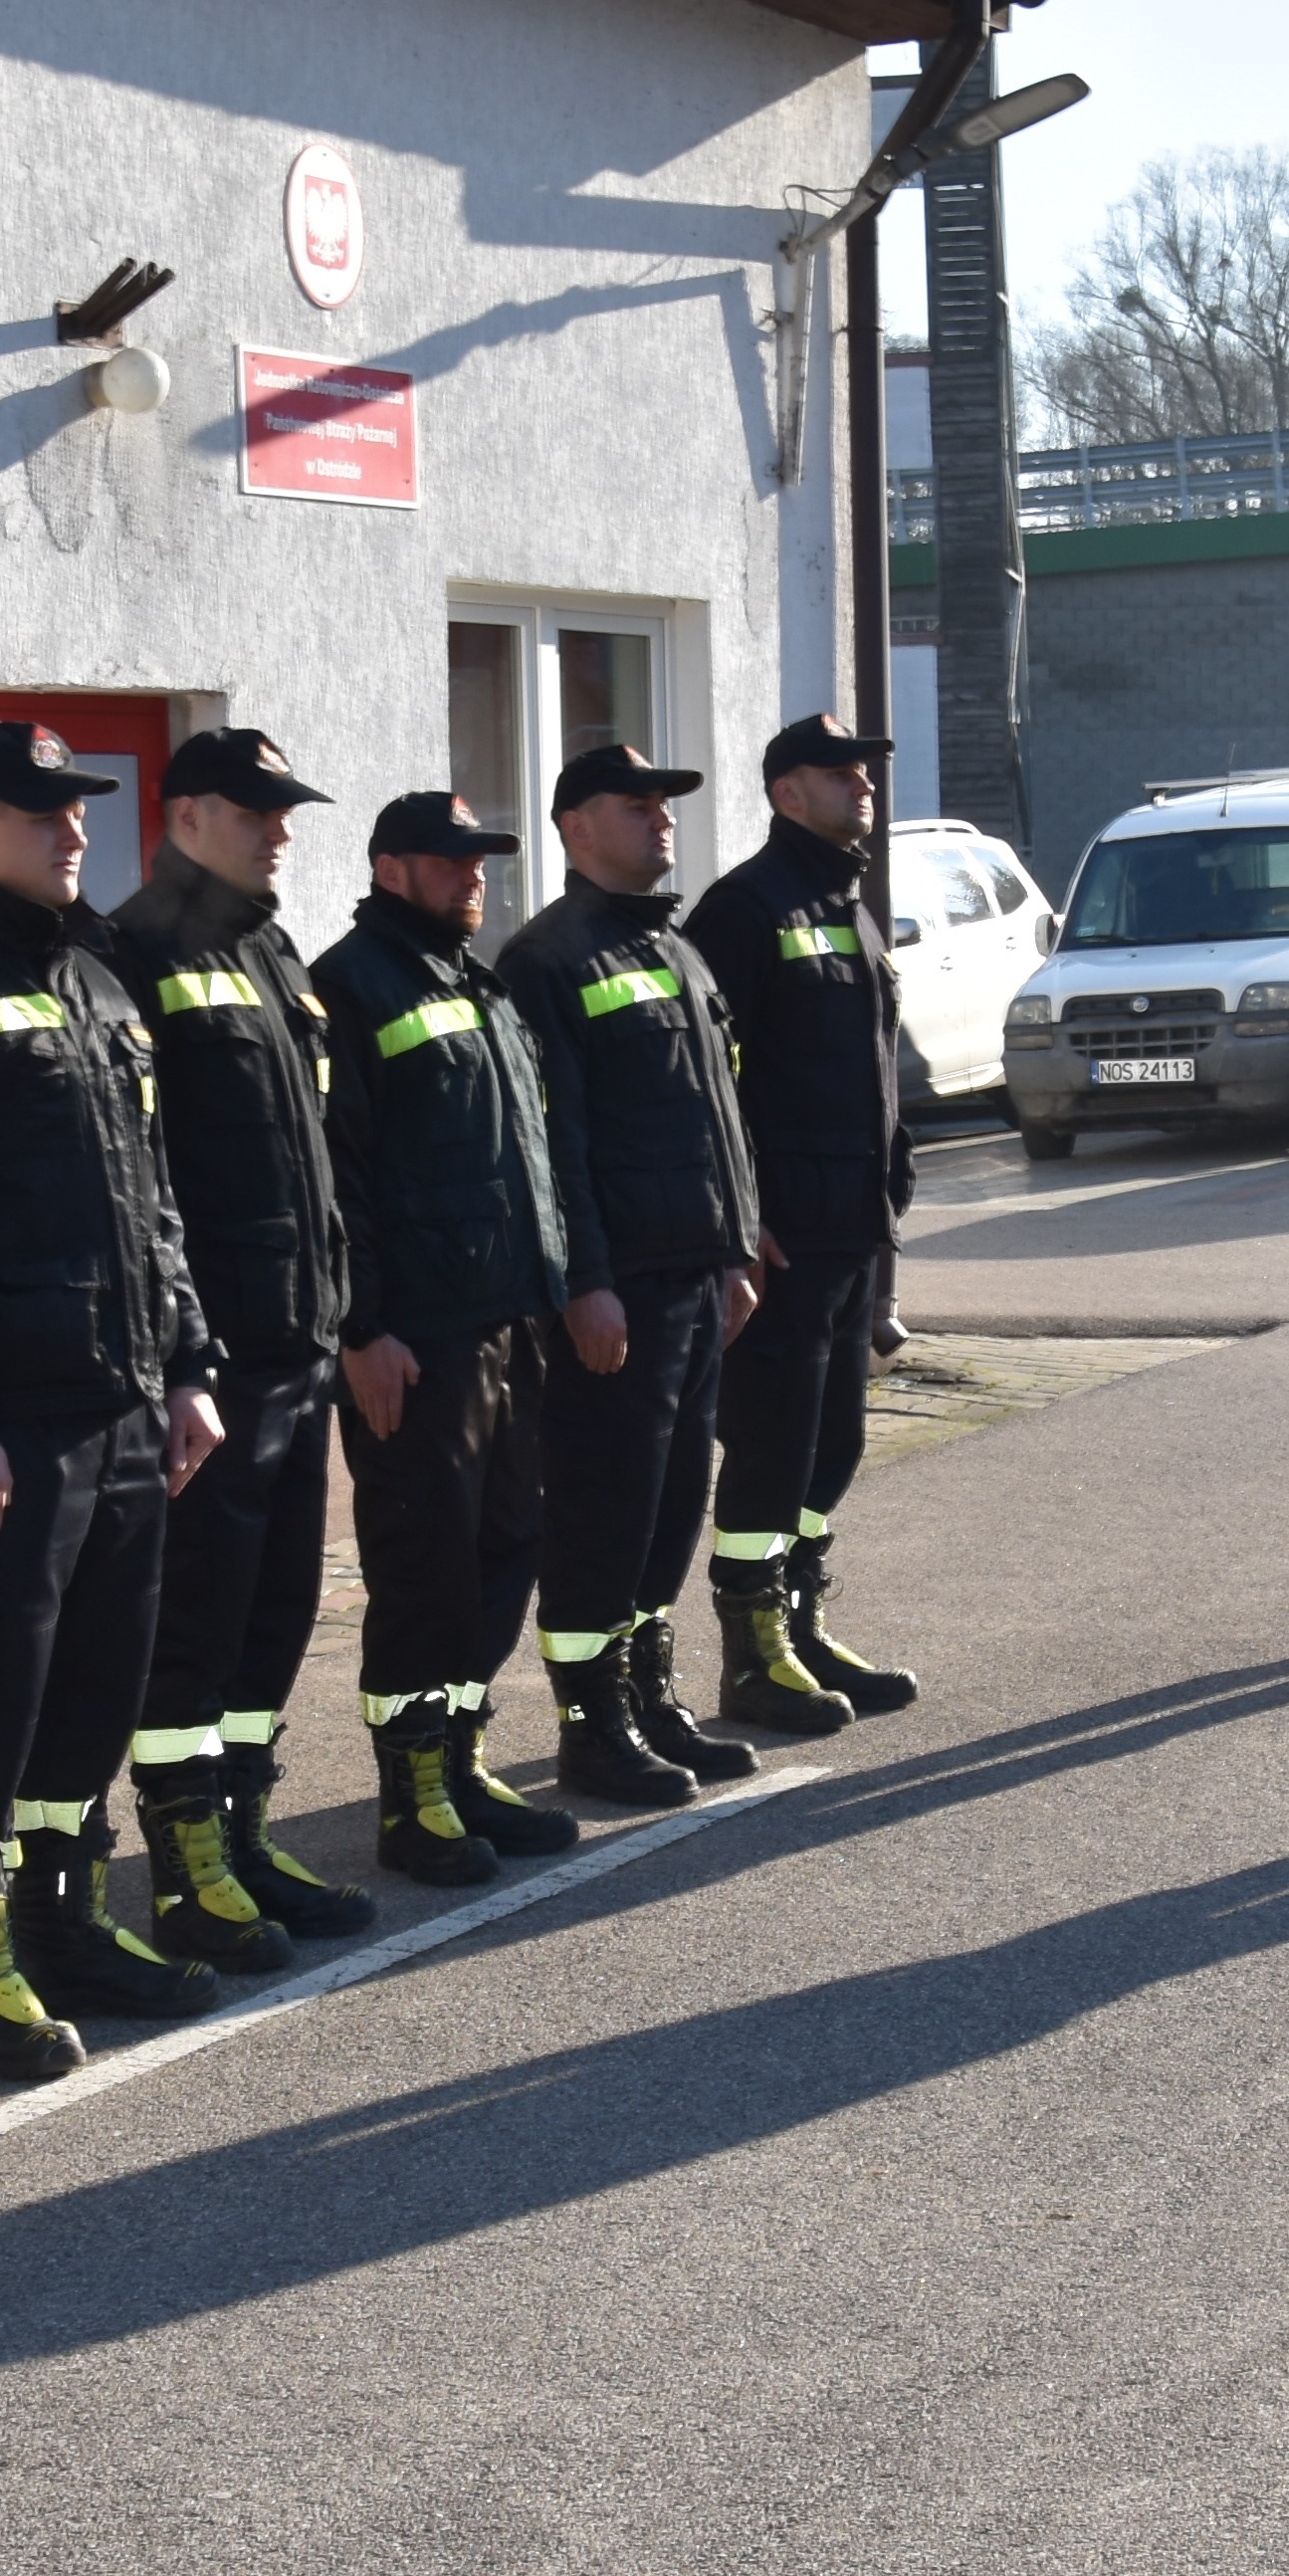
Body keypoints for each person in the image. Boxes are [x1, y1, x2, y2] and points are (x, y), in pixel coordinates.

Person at [0, 719, 232, 2063]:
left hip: (124, 1405)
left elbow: (153, 1199)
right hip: (7, 1425)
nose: (76, 828)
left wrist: (187, 1363)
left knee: (92, 1693)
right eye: (41, 811)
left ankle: (66, 1924)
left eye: (78, 808)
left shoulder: (100, 982)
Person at [108, 727, 380, 1974]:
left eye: (286, 812)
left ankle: (244, 1833)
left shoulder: (271, 949)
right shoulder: (132, 951)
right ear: (186, 818)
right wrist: (183, 1353)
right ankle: (184, 1870)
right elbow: (143, 1178)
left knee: (275, 1611)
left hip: (299, 1337)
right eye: (256, 811)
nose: (280, 831)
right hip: (216, 1351)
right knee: (199, 1619)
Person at [311, 790, 594, 1882]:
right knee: (423, 1565)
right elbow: (342, 1174)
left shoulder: (477, 982)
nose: (473, 877)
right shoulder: (352, 985)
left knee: (505, 1547)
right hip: (418, 1341)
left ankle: (460, 1759)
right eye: (449, 861)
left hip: (508, 1317)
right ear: (390, 868)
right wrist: (364, 1326)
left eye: (480, 861)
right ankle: (411, 1795)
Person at [501, 739, 769, 1804]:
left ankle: (649, 1699)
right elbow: (553, 1140)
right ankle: (591, 1725)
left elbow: (719, 1112)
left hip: (695, 1273)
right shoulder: (548, 959)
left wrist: (736, 1247)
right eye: (635, 804)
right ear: (575, 827)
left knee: (669, 1506)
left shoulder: (675, 948)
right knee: (604, 1510)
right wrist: (584, 1280)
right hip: (621, 1287)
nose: (661, 818)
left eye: (665, 803)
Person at [684, 713, 925, 1738]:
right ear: (787, 793)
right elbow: (705, 1084)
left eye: (864, 770)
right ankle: (752, 1660)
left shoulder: (846, 902)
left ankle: (800, 1625)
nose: (861, 783)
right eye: (838, 772)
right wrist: (740, 1218)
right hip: (783, 1235)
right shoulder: (746, 909)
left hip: (851, 1227)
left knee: (834, 1446)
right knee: (771, 1445)